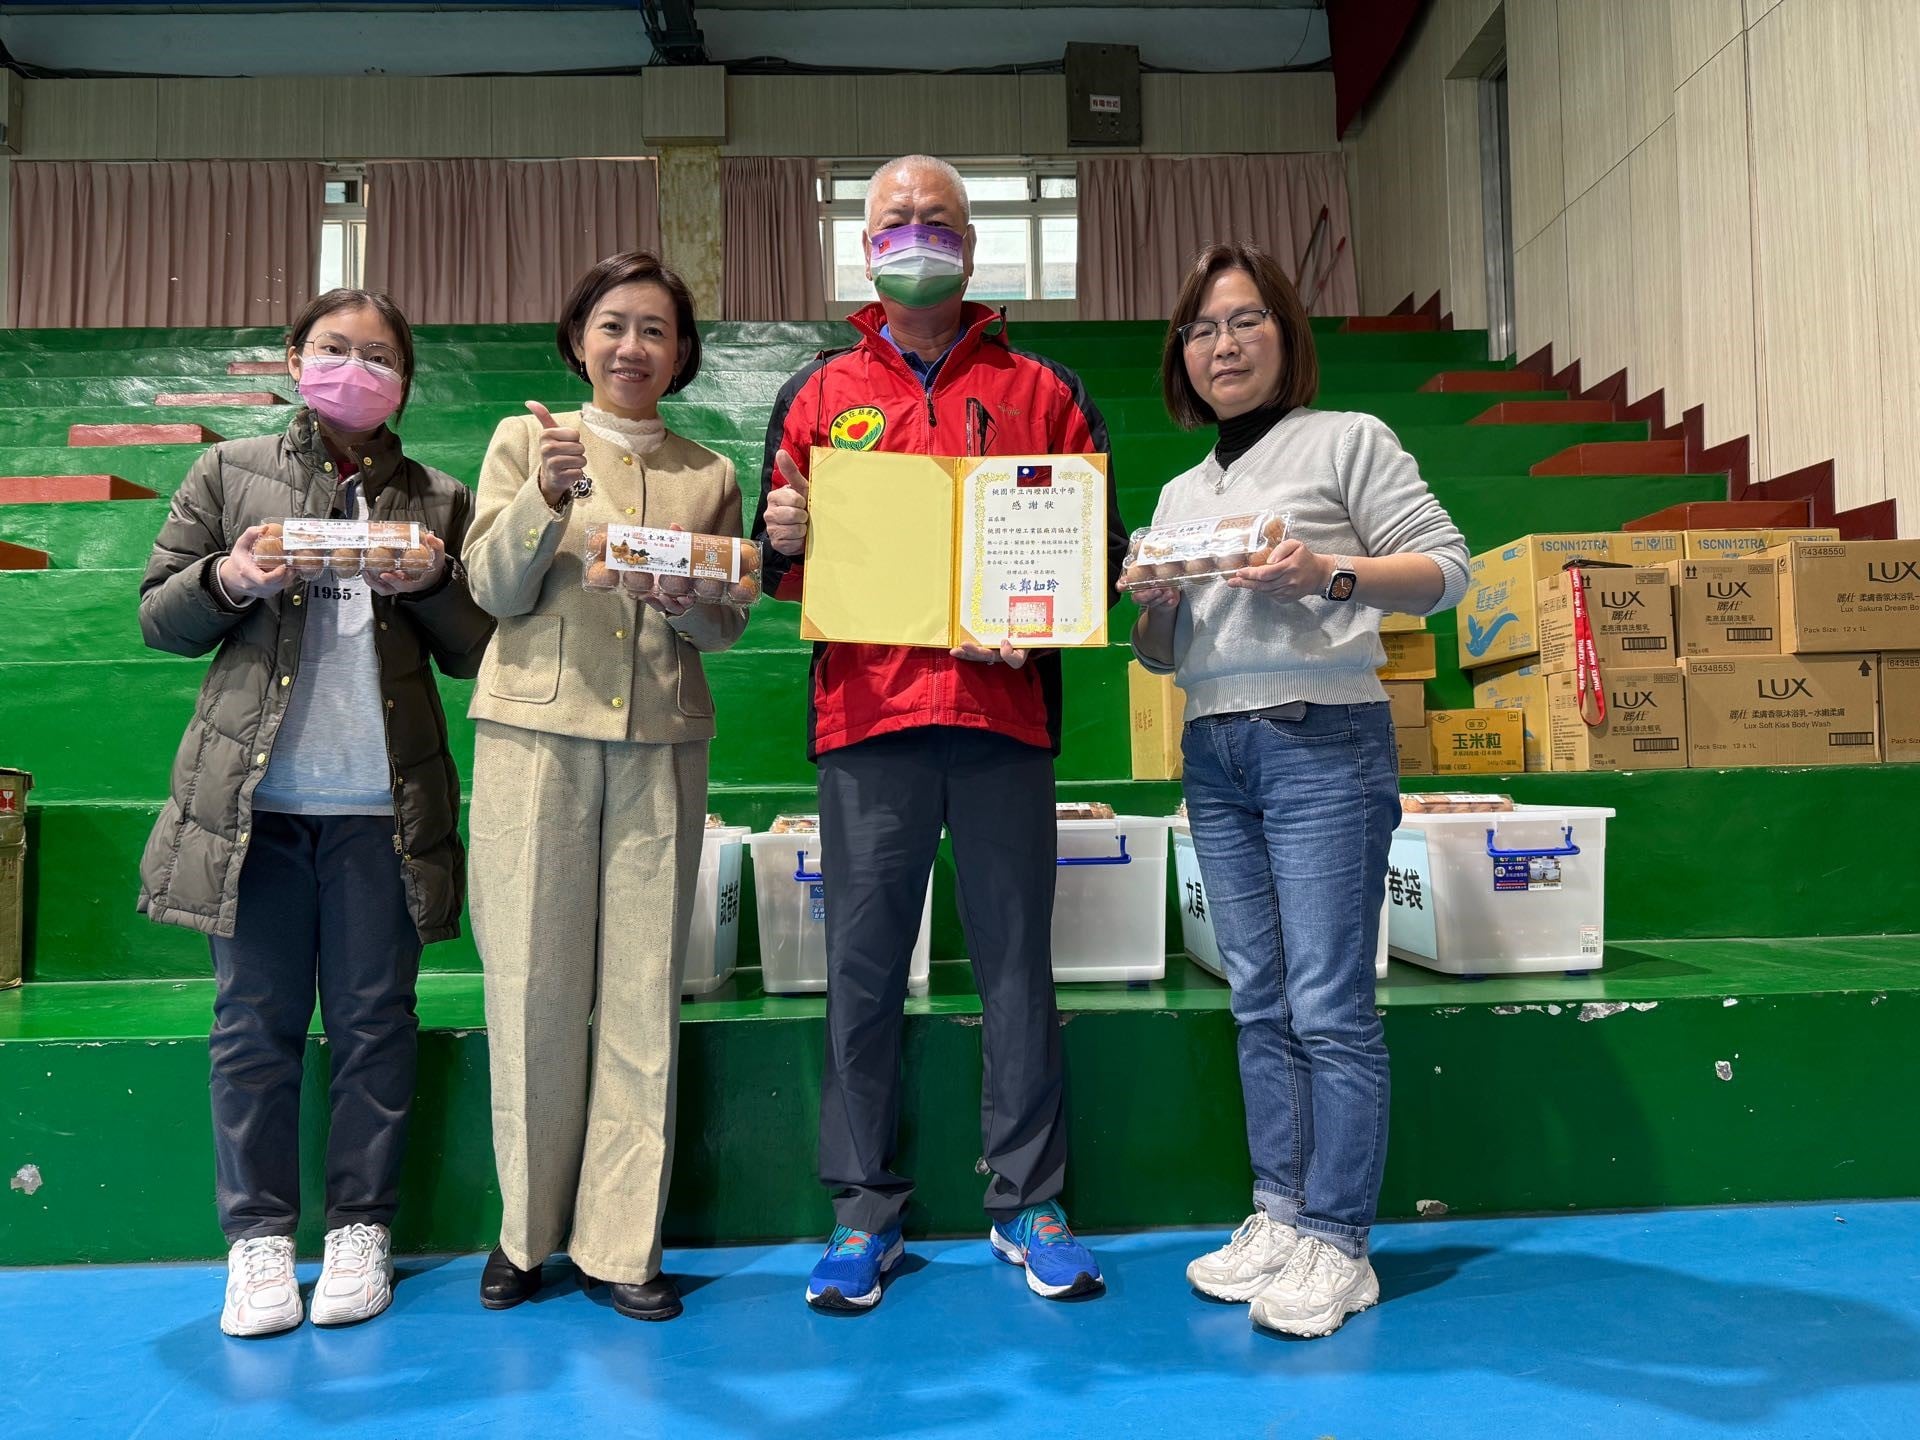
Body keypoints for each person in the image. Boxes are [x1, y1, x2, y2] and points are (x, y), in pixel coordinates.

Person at [750, 153, 1130, 1313]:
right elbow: (780, 574)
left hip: (1006, 717)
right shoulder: (819, 393)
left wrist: (1049, 616)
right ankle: (863, 1212)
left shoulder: (1045, 388)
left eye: (939, 218)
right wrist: (786, 529)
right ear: (864, 242)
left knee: (1019, 967)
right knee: (862, 973)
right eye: (894, 219)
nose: (916, 232)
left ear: (974, 242)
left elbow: (1094, 559)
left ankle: (1033, 1203)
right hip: (868, 720)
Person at [137, 289, 494, 1337]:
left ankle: (360, 1229)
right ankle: (255, 1241)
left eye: (379, 356)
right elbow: (161, 616)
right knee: (252, 1027)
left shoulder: (436, 495)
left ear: (403, 381)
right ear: (296, 358)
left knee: (377, 1023)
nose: (356, 368)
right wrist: (231, 574)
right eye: (335, 348)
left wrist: (432, 583)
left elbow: (476, 649)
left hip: (382, 807)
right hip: (254, 808)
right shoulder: (226, 471)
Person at [1130, 243, 1469, 1338]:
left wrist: (1326, 571)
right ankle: (1279, 1212)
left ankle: (1340, 1240)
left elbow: (1446, 570)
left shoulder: (1347, 441)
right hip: (1216, 745)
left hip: (1323, 739)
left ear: (1286, 334)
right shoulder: (1185, 488)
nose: (1222, 344)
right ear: (1183, 355)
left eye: (1245, 321)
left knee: (1329, 1004)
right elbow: (1162, 659)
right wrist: (1152, 600)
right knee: (1258, 998)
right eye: (1202, 329)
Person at [463, 252, 745, 1323]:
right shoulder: (522, 444)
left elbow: (725, 619)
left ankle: (621, 1244)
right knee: (530, 989)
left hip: (661, 742)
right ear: (579, 338)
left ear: (682, 354)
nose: (634, 348)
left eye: (657, 331)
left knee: (640, 998)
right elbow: (491, 584)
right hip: (533, 737)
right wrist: (545, 491)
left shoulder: (708, 472)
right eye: (614, 326)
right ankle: (525, 1235)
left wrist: (686, 598)